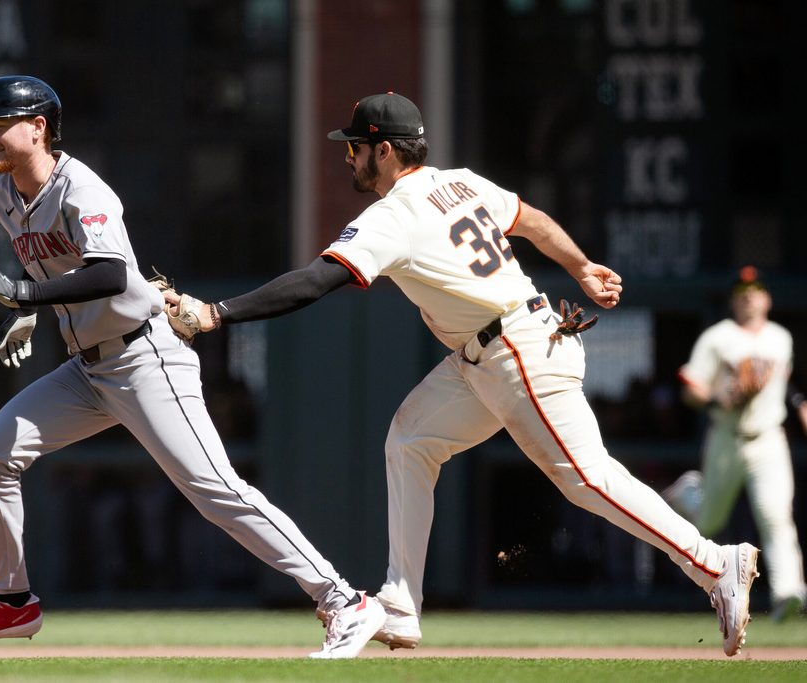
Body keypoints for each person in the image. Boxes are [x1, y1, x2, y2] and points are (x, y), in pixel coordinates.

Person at [164, 92, 761, 656]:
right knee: (411, 439)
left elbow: (318, 280)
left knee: (587, 477)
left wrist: (219, 313)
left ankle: (712, 562)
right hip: (494, 350)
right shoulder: (461, 183)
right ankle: (401, 602)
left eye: (356, 147)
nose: (349, 157)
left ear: (387, 151)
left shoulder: (393, 214)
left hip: (515, 348)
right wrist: (580, 267)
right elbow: (531, 220)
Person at [0, 75, 386, 659]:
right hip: (86, 370)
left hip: (145, 356)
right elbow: (57, 272)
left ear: (38, 127)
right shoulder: (0, 198)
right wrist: (30, 310)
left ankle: (344, 600)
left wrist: (22, 295)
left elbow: (111, 274)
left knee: (215, 490)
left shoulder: (83, 189)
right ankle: (12, 603)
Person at [663, 266, 807, 622]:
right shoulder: (718, 337)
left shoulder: (781, 338)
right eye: (743, 289)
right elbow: (691, 388)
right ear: (733, 299)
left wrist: (800, 406)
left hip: (768, 439)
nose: (750, 295)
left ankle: (787, 593)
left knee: (775, 515)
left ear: (767, 297)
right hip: (727, 438)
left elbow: (785, 384)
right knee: (709, 522)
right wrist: (718, 398)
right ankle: (689, 495)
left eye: (757, 288)